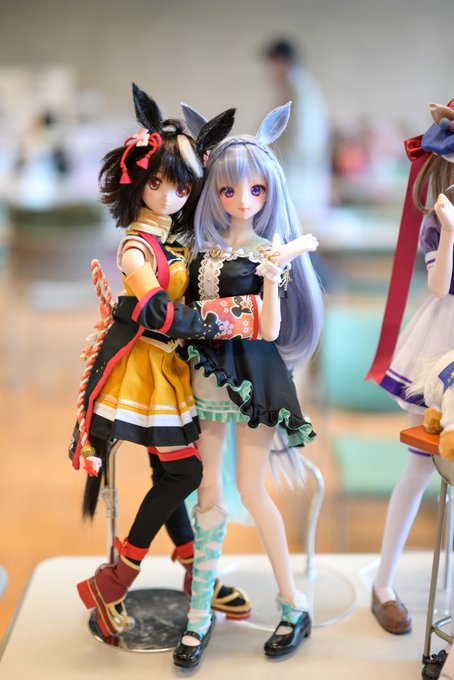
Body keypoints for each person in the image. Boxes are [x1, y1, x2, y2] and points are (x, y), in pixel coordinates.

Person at [70, 84, 263, 638]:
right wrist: (214, 320)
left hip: (171, 369)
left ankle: (192, 568)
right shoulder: (136, 246)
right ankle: (117, 577)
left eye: (181, 186)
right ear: (136, 181)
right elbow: (155, 309)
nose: (170, 195)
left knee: (170, 469)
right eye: (157, 182)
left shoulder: (170, 239)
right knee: (186, 471)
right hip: (143, 370)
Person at [172, 102, 323, 668]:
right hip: (207, 379)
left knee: (252, 490)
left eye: (256, 190)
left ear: (268, 192)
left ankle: (293, 603)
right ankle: (199, 614)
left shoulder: (269, 251)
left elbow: (271, 329)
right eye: (230, 190)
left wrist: (271, 277)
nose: (243, 200)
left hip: (255, 380)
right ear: (214, 190)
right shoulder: (202, 249)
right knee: (208, 492)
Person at [367, 100, 454, 638]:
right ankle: (383, 584)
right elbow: (439, 287)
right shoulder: (437, 224)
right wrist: (449, 230)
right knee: (421, 468)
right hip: (441, 345)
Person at [262, 38, 331, 225]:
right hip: (295, 183)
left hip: (300, 187)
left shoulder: (300, 91)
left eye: (272, 64)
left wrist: (264, 152)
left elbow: (303, 143)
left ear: (283, 62)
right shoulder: (291, 89)